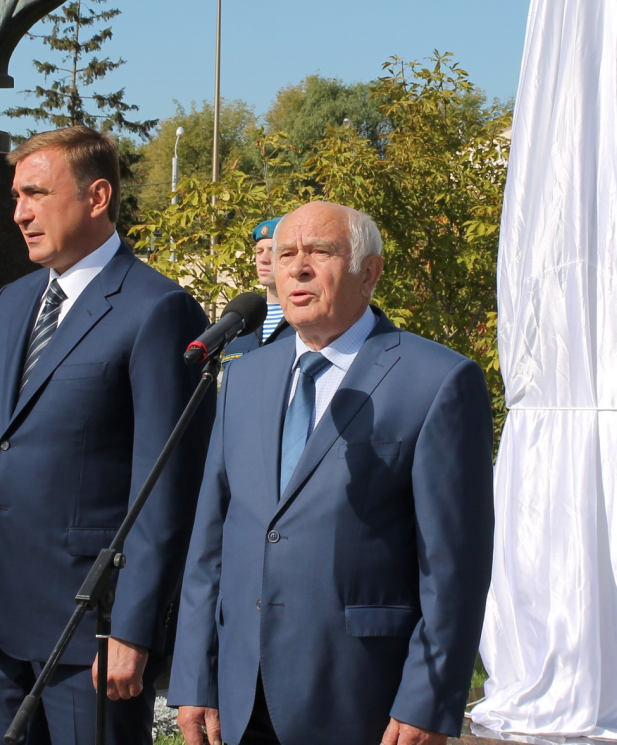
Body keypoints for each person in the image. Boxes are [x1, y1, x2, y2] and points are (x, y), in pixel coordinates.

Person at [0, 125, 213, 745]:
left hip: (90, 632)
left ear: (97, 197)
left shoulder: (158, 309)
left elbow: (166, 490)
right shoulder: (11, 303)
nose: (20, 213)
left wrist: (133, 625)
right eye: (16, 197)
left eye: (36, 194)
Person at [170, 201, 495, 745]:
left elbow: (455, 568)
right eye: (285, 254)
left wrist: (428, 699)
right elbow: (211, 542)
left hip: (363, 697)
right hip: (243, 697)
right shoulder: (244, 378)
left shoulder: (437, 380)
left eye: (320, 251)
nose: (297, 268)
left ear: (369, 272)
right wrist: (195, 676)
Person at [221, 217, 290, 361]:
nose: (263, 259)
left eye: (273, 250)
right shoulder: (241, 319)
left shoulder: (308, 320)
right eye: (259, 251)